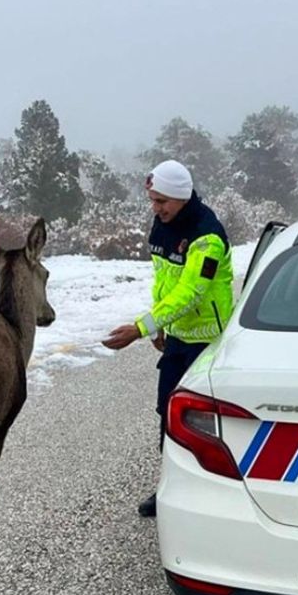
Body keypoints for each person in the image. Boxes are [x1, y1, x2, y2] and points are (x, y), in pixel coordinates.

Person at [102, 160, 234, 518]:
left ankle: (216, 490)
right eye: (153, 201)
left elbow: (191, 293)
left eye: (162, 201)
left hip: (209, 344)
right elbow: (165, 283)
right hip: (178, 337)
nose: (155, 208)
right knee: (168, 414)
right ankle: (172, 487)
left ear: (180, 197)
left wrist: (140, 327)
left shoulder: (208, 237)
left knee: (211, 422)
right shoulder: (164, 225)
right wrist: (162, 325)